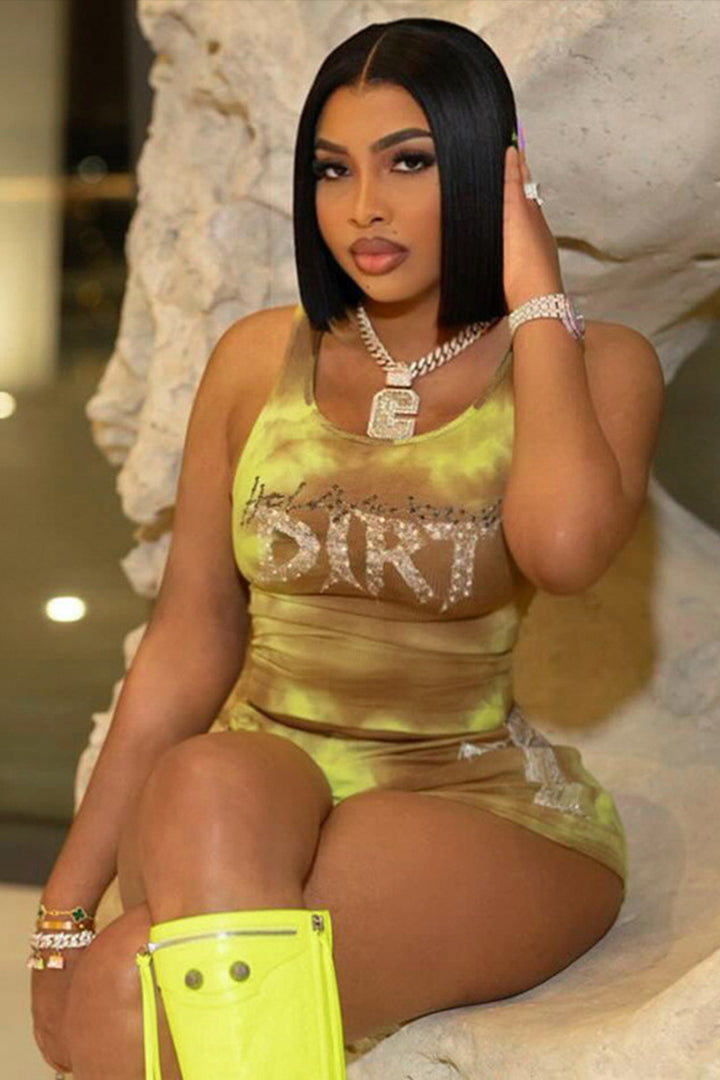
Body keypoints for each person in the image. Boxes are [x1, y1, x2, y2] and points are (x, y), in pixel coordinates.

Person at [30, 16, 664, 1080]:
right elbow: (189, 637)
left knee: (120, 1010)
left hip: (467, 798)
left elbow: (563, 551)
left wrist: (536, 299)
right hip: (238, 802)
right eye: (333, 169)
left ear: (490, 170)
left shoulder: (599, 363)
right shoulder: (255, 360)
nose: (364, 205)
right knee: (206, 780)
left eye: (409, 162)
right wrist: (61, 912)